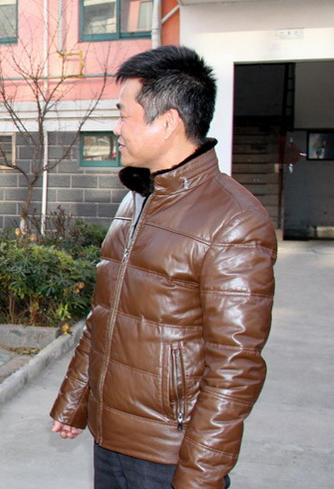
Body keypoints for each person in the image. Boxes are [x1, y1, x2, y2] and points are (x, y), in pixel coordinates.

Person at [50, 45, 277, 488]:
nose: (117, 128)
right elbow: (105, 316)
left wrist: (200, 475)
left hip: (169, 453)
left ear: (168, 121)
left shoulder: (234, 221)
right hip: (110, 438)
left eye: (124, 115)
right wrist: (75, 401)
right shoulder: (137, 198)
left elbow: (235, 368)